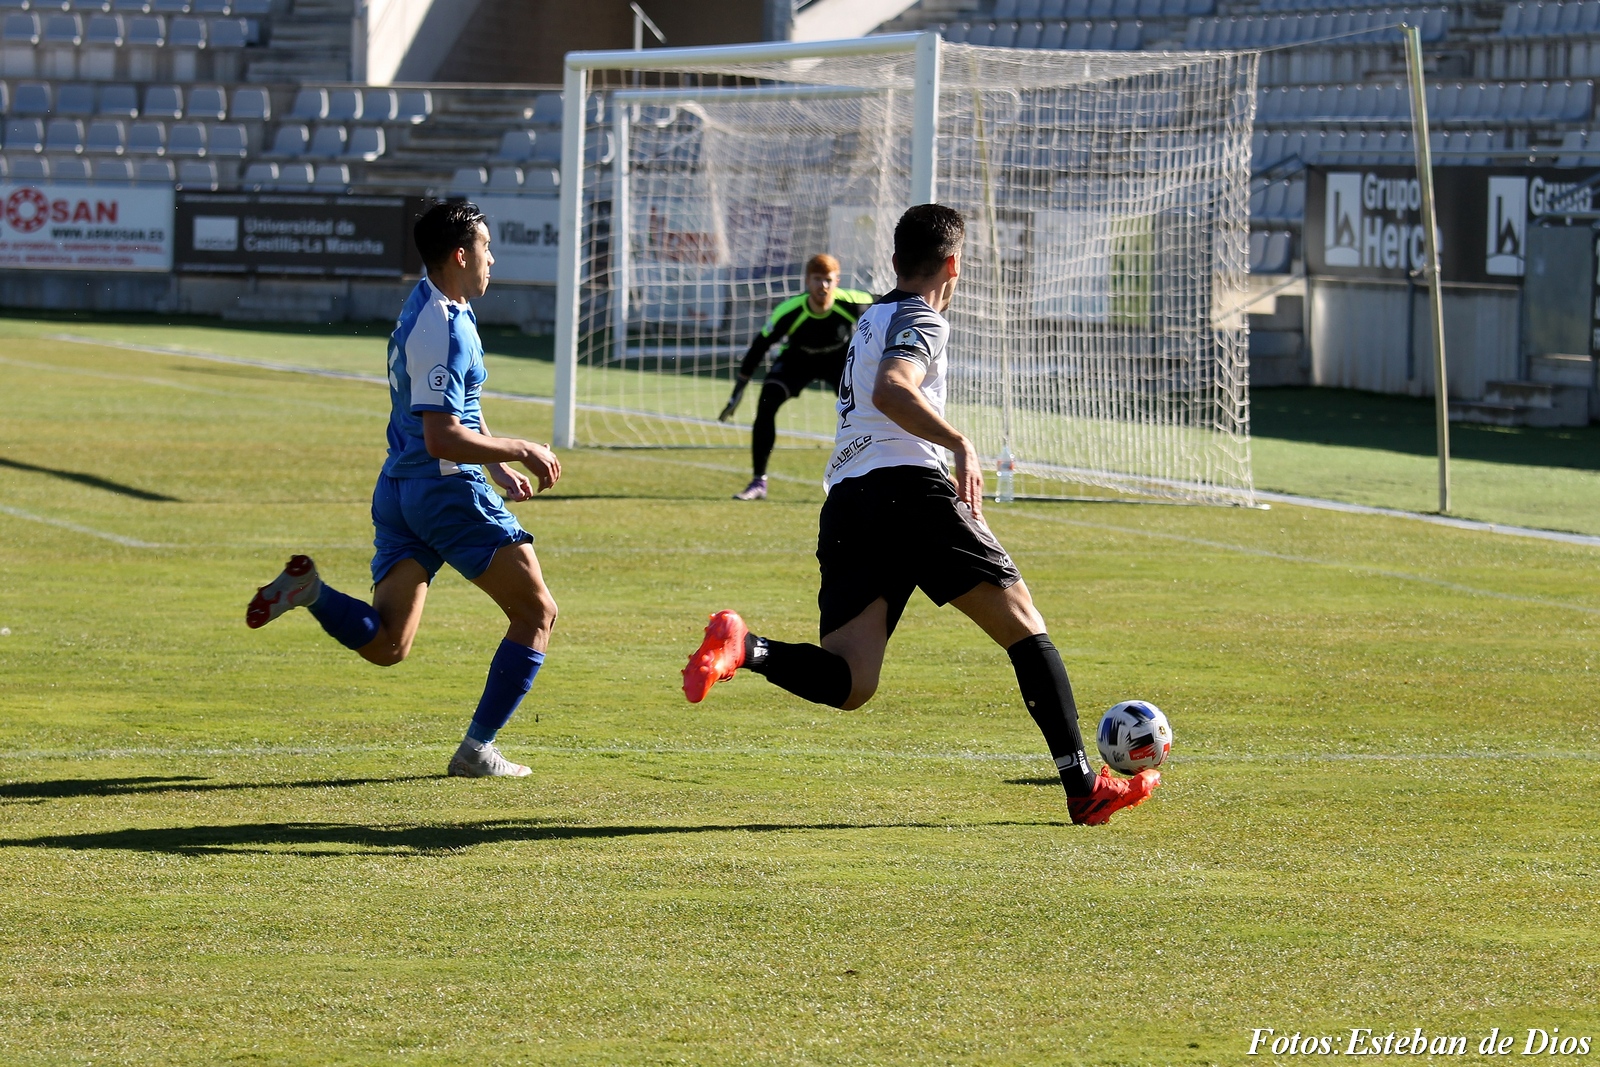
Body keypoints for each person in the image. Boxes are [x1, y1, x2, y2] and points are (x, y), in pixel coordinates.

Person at [682, 204, 1160, 826]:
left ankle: (748, 650)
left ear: (894, 260)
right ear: (954, 264)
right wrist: (961, 443)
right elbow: (892, 388)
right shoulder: (919, 316)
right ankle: (1084, 785)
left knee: (852, 682)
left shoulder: (870, 317)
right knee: (1023, 623)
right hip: (908, 486)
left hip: (848, 498)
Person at [245, 200, 562, 779]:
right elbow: (443, 436)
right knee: (537, 611)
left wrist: (491, 461)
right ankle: (475, 751)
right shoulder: (442, 327)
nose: (494, 258)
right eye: (487, 247)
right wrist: (518, 447)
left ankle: (312, 592)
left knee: (389, 643)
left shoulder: (430, 306)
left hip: (401, 489)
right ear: (460, 255)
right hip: (444, 492)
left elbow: (456, 408)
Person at [718, 253, 873, 501]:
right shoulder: (789, 311)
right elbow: (759, 347)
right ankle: (759, 482)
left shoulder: (854, 303)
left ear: (837, 281)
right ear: (807, 281)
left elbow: (887, 310)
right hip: (797, 361)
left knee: (861, 413)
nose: (823, 286)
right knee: (767, 402)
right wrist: (739, 389)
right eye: (817, 279)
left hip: (838, 362)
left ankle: (867, 479)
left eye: (828, 280)